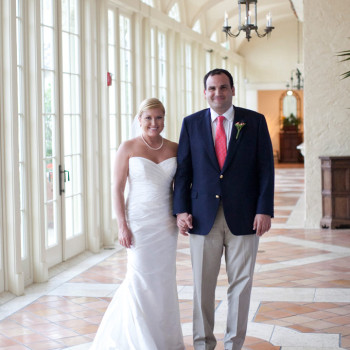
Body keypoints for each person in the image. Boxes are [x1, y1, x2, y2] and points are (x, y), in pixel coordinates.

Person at [173, 68, 274, 350]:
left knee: (241, 286)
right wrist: (180, 210)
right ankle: (203, 344)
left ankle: (234, 345)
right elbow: (183, 171)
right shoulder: (191, 124)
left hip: (245, 216)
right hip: (201, 218)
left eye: (223, 87)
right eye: (212, 88)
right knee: (202, 288)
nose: (218, 93)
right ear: (205, 92)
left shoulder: (253, 122)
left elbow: (266, 169)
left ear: (232, 90)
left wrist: (264, 209)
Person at [91, 98, 185, 350]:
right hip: (139, 222)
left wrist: (182, 214)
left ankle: (163, 340)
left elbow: (184, 186)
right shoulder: (128, 147)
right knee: (139, 277)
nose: (154, 123)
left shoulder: (175, 148)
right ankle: (139, 340)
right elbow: (117, 188)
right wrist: (122, 225)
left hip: (165, 224)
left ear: (165, 119)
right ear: (139, 119)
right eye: (148, 118)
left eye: (159, 117)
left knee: (164, 280)